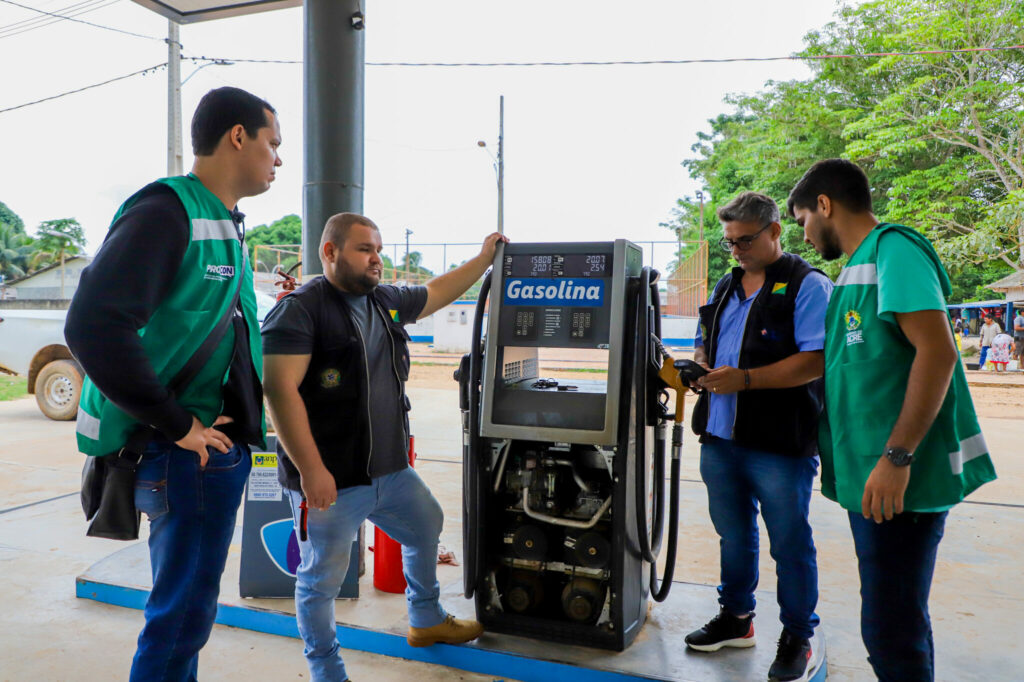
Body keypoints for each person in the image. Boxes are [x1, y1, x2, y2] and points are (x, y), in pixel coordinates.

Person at [65, 87, 282, 680]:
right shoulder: (167, 211)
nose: (278, 160)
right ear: (238, 136)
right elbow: (92, 326)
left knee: (187, 616)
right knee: (180, 618)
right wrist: (178, 424)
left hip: (209, 453)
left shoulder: (222, 221)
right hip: (184, 456)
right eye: (273, 143)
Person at [262, 213, 507, 682]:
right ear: (330, 252)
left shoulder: (384, 300)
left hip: (390, 471)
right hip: (332, 479)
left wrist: (483, 258)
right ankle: (327, 671)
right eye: (363, 249)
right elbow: (279, 391)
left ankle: (426, 619)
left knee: (425, 524)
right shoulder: (301, 309)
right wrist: (312, 471)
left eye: (377, 249)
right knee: (320, 584)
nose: (375, 258)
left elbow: (436, 293)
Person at [789, 158, 996, 682]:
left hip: (902, 480)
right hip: (876, 483)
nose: (805, 236)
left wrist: (897, 456)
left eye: (802, 221)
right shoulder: (856, 270)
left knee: (890, 632)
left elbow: (938, 353)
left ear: (825, 205)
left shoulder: (894, 251)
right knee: (893, 623)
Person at [684, 191, 832, 682]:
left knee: (789, 543)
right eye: (730, 242)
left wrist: (744, 379)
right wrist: (700, 365)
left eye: (746, 239)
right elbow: (708, 343)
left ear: (775, 231)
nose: (737, 250)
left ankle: (797, 636)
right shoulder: (726, 286)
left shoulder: (808, 285)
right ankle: (737, 618)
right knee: (734, 537)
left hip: (778, 444)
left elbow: (814, 360)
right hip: (721, 437)